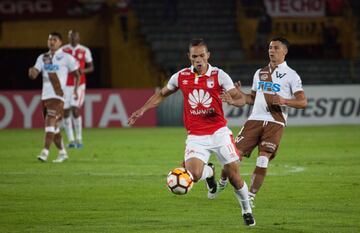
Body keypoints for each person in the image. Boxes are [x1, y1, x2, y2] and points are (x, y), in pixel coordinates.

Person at [128, 38, 255, 226]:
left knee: (234, 176)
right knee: (193, 175)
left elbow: (240, 99)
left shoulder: (220, 75)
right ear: (189, 56)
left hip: (219, 132)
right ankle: (209, 172)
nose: (198, 59)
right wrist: (142, 109)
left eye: (202, 55)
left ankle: (246, 210)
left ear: (208, 55)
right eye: (194, 56)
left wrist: (231, 99)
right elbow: (162, 94)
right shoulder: (180, 77)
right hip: (196, 135)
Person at [217, 37, 308, 208]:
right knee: (233, 157)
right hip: (254, 120)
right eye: (270, 47)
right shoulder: (260, 73)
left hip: (275, 122)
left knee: (263, 159)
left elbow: (303, 102)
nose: (271, 50)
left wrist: (284, 101)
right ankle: (221, 181)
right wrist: (237, 96)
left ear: (285, 51)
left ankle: (250, 196)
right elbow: (251, 98)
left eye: (276, 48)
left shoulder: (292, 76)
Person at [28, 32, 80, 163]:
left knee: (49, 122)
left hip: (58, 96)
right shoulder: (43, 57)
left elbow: (77, 74)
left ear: (60, 42)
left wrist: (75, 90)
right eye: (49, 39)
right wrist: (32, 72)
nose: (51, 41)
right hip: (45, 97)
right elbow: (34, 73)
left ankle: (45, 151)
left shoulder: (66, 58)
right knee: (54, 127)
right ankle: (62, 152)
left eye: (54, 39)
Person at [62, 30, 94, 148]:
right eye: (71, 36)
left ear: (79, 38)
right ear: (68, 37)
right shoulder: (64, 50)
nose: (73, 38)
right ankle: (71, 140)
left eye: (75, 36)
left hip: (79, 84)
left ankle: (79, 139)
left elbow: (91, 67)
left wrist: (83, 70)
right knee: (65, 112)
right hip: (65, 85)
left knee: (75, 109)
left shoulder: (85, 50)